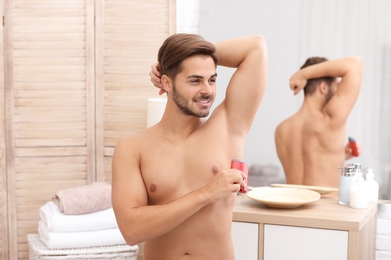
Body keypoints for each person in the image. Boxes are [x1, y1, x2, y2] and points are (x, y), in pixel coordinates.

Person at [111, 33, 267, 260]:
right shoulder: (133, 148)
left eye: (212, 80)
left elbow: (256, 48)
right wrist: (206, 194)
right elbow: (131, 230)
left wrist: (189, 55)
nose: (207, 90)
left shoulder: (229, 126)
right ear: (166, 82)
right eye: (195, 80)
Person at [275, 57, 362, 190]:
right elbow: (355, 64)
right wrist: (303, 74)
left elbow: (307, 162)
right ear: (323, 87)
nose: (338, 90)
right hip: (324, 209)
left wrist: (338, 154)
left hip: (291, 206)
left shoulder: (281, 130)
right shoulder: (329, 118)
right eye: (336, 86)